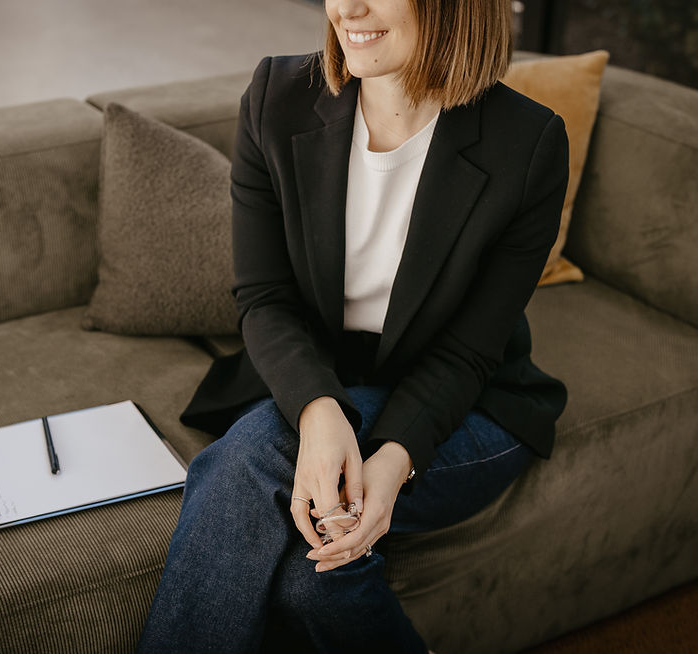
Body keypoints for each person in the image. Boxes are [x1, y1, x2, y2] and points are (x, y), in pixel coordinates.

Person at [138, 0, 569, 651]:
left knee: (255, 454)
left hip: (468, 408)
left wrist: (393, 461)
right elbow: (265, 297)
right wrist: (318, 411)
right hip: (328, 376)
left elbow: (466, 354)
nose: (347, 7)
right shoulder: (276, 98)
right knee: (312, 581)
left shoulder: (528, 143)